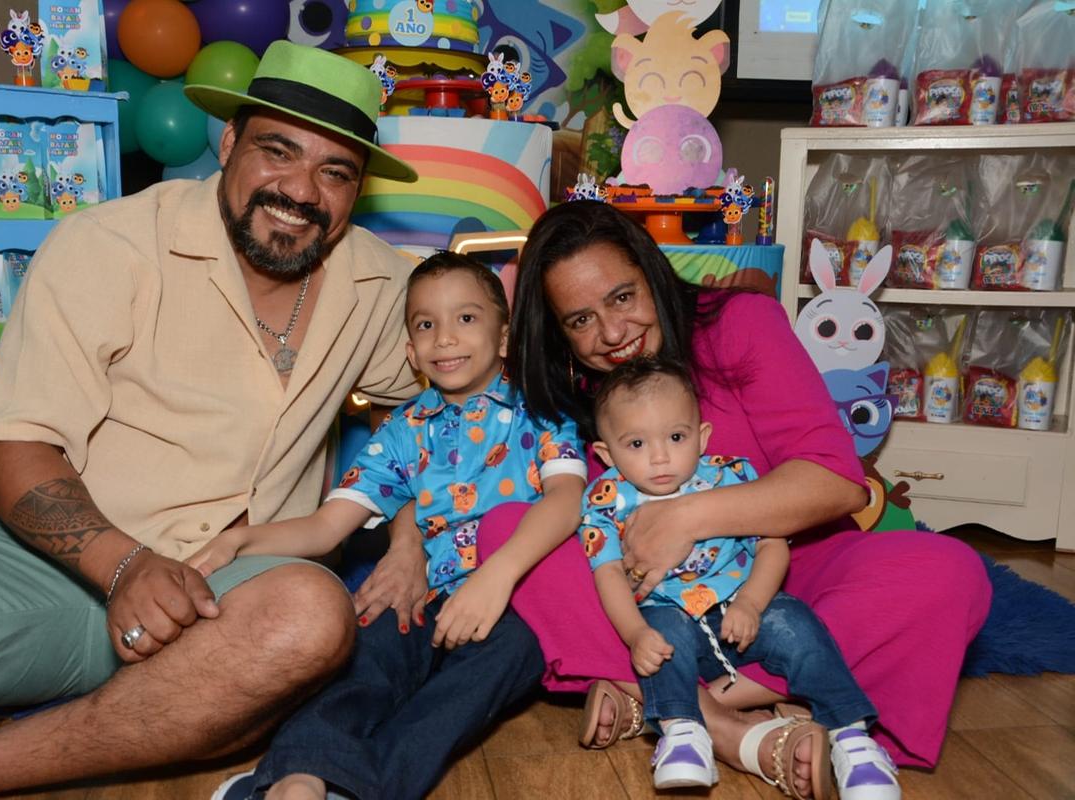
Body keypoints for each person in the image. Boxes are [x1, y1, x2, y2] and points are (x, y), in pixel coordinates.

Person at [0, 41, 425, 799]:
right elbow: (17, 443)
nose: (301, 190)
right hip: (61, 563)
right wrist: (125, 566)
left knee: (308, 620)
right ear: (228, 143)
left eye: (335, 173)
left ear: (356, 191)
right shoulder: (109, 244)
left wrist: (411, 540)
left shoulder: (384, 284)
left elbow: (454, 413)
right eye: (278, 152)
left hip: (239, 591)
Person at [461, 200, 988, 798]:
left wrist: (687, 516)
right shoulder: (568, 389)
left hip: (783, 572)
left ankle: (663, 701)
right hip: (650, 610)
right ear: (557, 331)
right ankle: (734, 729)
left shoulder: (741, 323)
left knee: (951, 571)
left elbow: (835, 480)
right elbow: (574, 531)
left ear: (652, 273)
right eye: (579, 320)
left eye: (623, 298)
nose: (610, 334)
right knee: (507, 529)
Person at [192, 252, 587, 800]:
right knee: (365, 658)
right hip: (428, 597)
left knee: (471, 686)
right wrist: (242, 538)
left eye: (466, 318)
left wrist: (495, 579)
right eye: (427, 324)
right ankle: (297, 779)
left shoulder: (541, 410)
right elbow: (328, 528)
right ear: (411, 351)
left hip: (517, 600)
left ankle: (358, 789)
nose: (445, 337)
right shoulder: (404, 430)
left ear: (503, 339)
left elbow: (567, 501)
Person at [583, 357, 897, 800]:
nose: (659, 456)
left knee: (796, 625)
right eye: (635, 443)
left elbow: (773, 544)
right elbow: (609, 575)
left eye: (676, 437)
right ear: (605, 454)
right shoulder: (605, 500)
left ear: (702, 435)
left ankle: (852, 736)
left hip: (740, 610)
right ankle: (683, 731)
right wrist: (635, 633)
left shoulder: (731, 476)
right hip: (667, 615)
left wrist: (752, 600)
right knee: (660, 640)